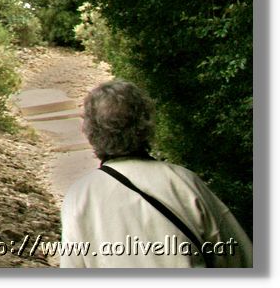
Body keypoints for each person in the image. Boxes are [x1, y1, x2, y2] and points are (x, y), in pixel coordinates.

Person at [59, 80, 252, 267]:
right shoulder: (184, 182)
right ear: (146, 124)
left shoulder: (79, 196)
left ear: (90, 131)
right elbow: (240, 258)